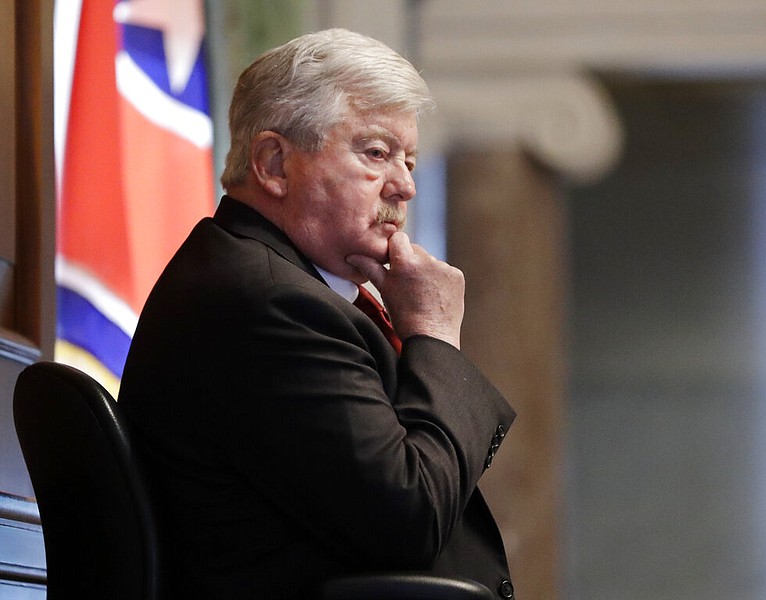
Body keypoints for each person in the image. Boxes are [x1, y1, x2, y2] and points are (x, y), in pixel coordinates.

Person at [118, 28, 516, 600]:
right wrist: (434, 335)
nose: (404, 185)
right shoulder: (269, 304)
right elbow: (409, 519)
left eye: (408, 160)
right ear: (274, 163)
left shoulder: (264, 280)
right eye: (376, 152)